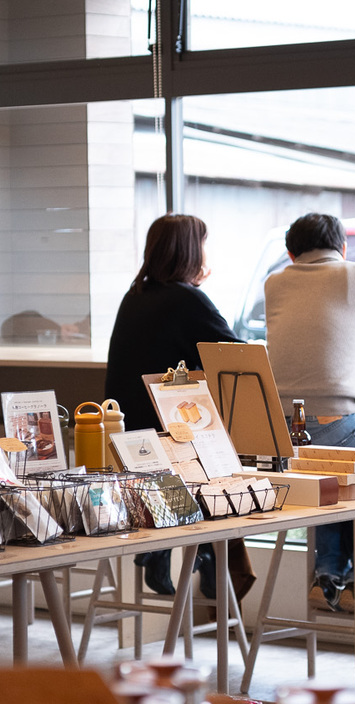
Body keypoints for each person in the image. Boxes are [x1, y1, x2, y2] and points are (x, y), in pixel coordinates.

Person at [264, 212, 355, 612]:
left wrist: (349, 345)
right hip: (340, 429)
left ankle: (326, 572)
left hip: (284, 438)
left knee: (323, 470)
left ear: (291, 254)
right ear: (343, 248)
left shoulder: (274, 283)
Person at [105, 213, 251, 599]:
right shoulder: (188, 300)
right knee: (229, 470)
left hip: (127, 443)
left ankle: (180, 551)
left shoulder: (134, 297)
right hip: (169, 450)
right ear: (191, 250)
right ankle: (205, 558)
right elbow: (236, 359)